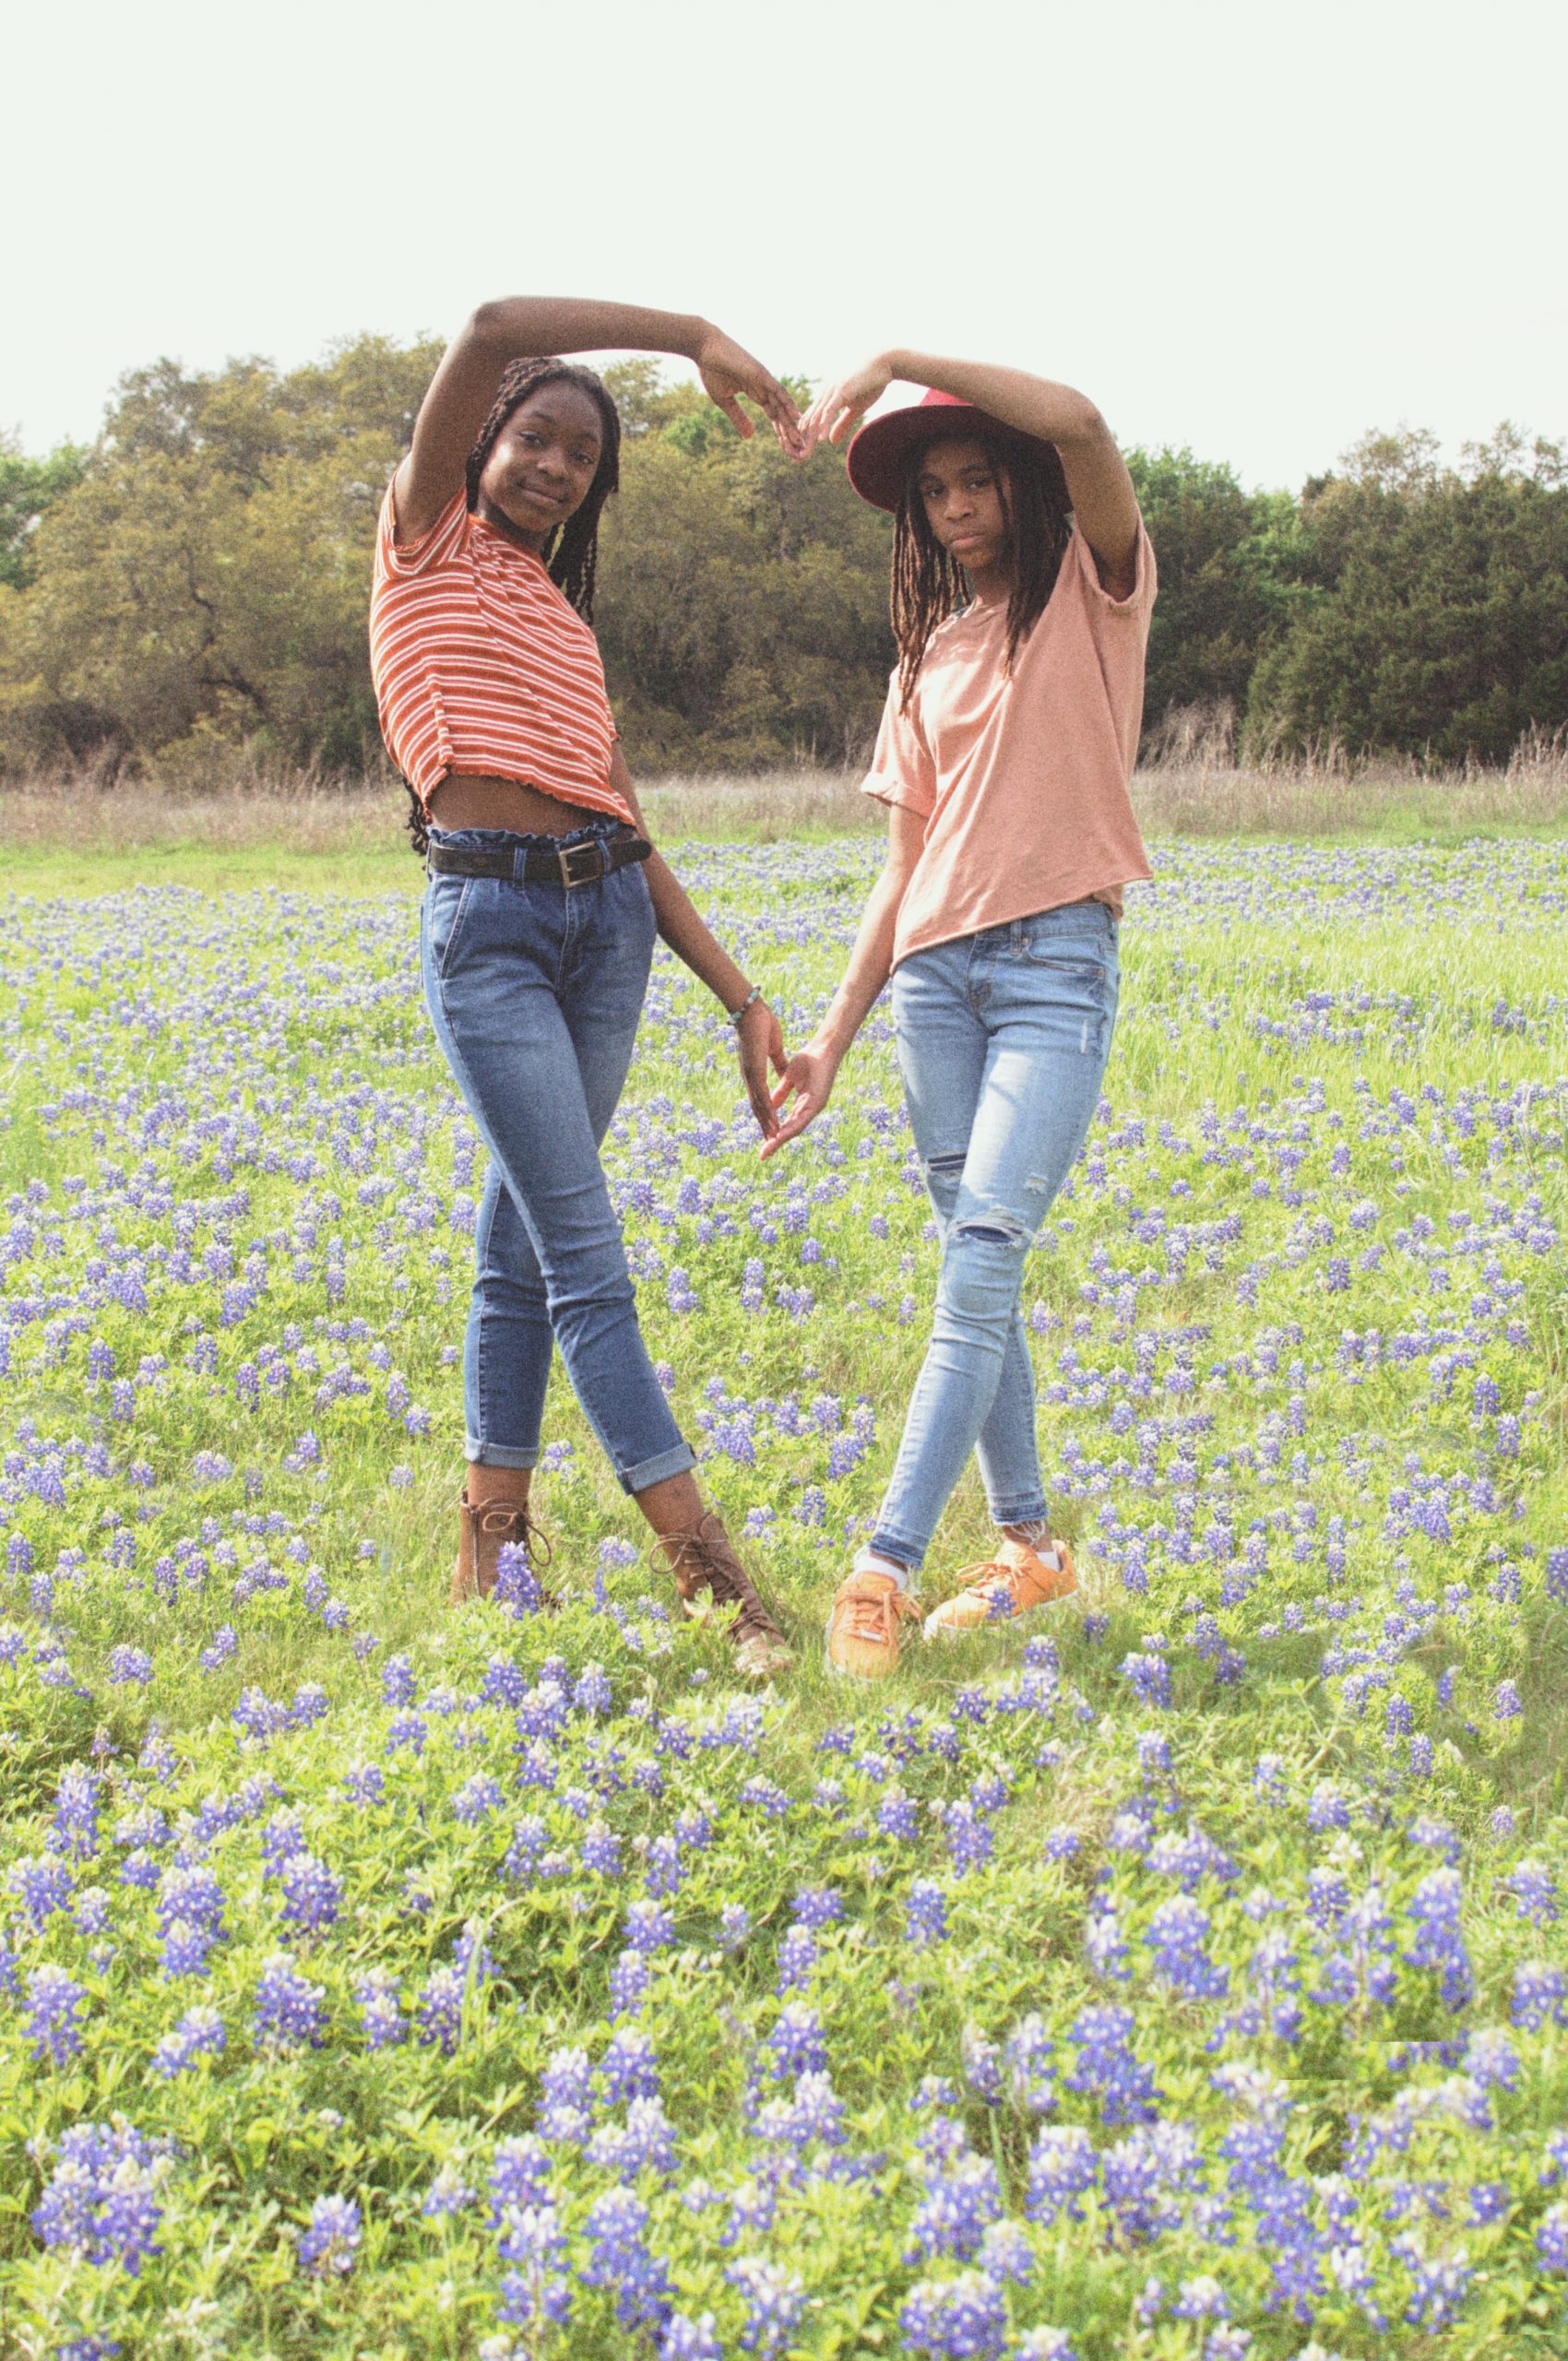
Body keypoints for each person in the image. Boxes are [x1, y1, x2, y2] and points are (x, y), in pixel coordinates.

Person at [369, 295, 800, 1676]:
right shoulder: (421, 539)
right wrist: (690, 336)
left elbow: (626, 821)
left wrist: (738, 996)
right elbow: (494, 319)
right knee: (581, 1251)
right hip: (489, 921)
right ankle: (708, 1573)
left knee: (521, 1245)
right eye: (536, 438)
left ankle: (492, 1538)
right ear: (486, 438)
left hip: (604, 924)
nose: (554, 466)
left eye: (580, 458)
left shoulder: (564, 619)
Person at [768, 348, 1157, 1678]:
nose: (954, 506)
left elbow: (1092, 425)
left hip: (1055, 964)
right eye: (933, 490)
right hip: (934, 986)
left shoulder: (1092, 600)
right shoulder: (925, 657)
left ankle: (879, 1566)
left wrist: (896, 362)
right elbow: (900, 872)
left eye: (976, 477)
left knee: (983, 1253)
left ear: (1019, 486)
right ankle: (1031, 1546)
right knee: (972, 1274)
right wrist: (831, 1036)